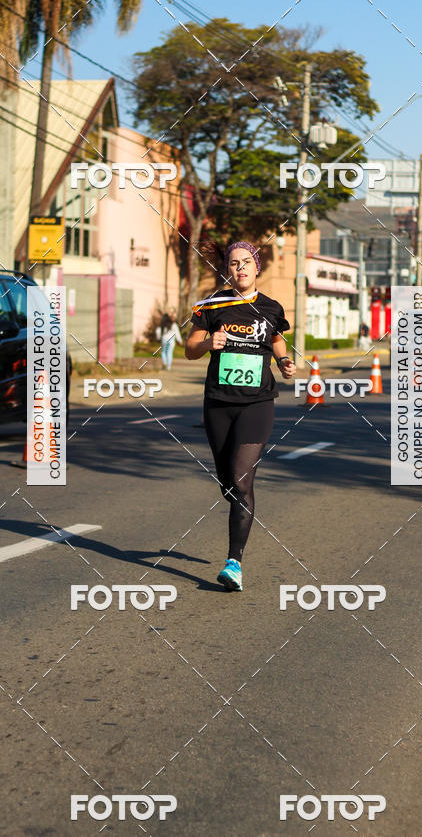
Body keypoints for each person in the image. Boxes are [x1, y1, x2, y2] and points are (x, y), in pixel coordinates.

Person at [185, 241, 297, 592]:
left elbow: (276, 340)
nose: (241, 268)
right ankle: (235, 498)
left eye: (247, 262)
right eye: (234, 263)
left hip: (257, 403)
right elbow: (190, 349)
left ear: (257, 267)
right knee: (228, 483)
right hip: (218, 402)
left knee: (241, 478)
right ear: (227, 270)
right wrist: (209, 344)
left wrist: (283, 360)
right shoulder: (212, 305)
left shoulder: (271, 307)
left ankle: (234, 563)